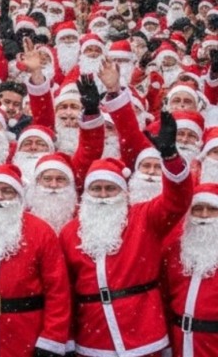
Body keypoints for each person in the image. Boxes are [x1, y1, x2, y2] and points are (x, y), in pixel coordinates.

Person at [60, 107, 193, 357]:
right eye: (96, 189)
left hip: (142, 332)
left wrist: (171, 156)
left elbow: (178, 200)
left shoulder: (143, 217)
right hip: (94, 336)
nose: (102, 196)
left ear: (123, 191)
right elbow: (65, 288)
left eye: (109, 189)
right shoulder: (70, 232)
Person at [0, 165, 72, 357]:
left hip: (25, 330)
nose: (0, 197)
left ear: (18, 196)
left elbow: (57, 290)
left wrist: (52, 337)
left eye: (7, 191)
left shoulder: (41, 231)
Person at [161, 184, 218, 357]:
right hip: (180, 340)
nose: (204, 215)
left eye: (212, 209)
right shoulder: (174, 250)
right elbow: (165, 297)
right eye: (197, 209)